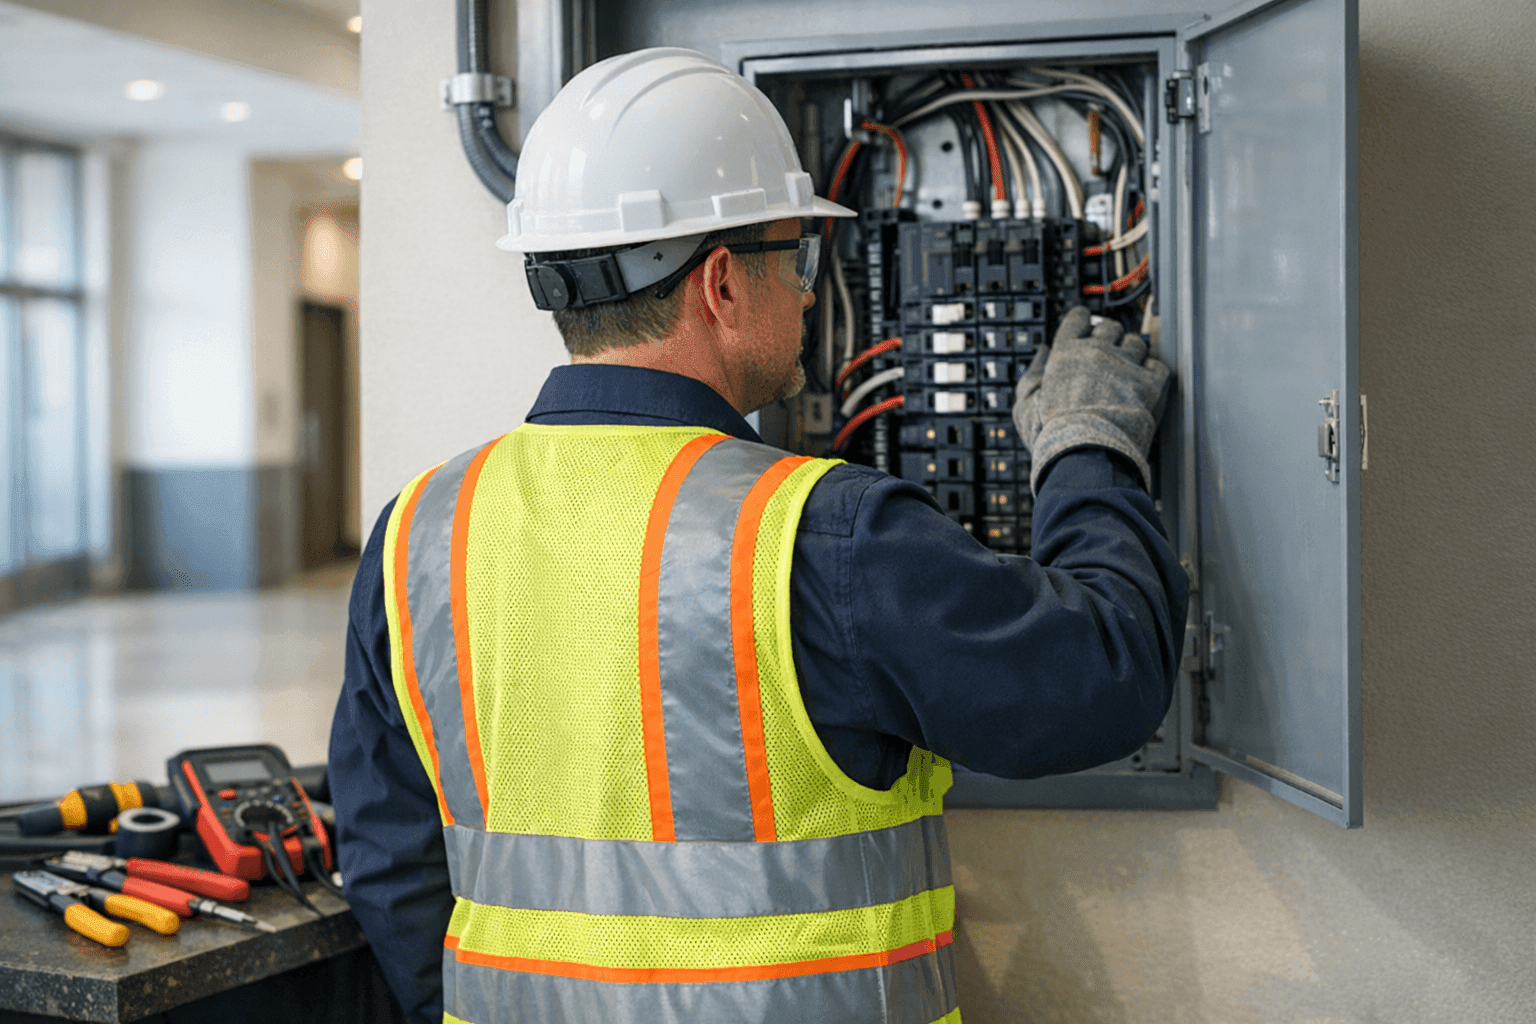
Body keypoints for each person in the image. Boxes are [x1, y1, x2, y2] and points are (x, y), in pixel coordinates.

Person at [329, 47, 1186, 1024]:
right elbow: (1106, 673)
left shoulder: (419, 533)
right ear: (723, 283)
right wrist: (1087, 443)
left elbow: (388, 863)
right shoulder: (824, 534)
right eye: (803, 256)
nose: (817, 293)